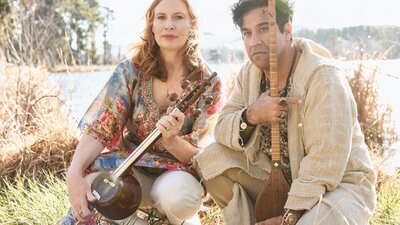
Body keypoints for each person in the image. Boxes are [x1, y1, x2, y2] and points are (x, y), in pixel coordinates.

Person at [194, 0, 376, 225]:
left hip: (338, 186)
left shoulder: (323, 77)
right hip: (277, 179)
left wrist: (287, 219)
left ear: (287, 31)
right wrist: (252, 115)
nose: (254, 41)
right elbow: (222, 129)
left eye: (263, 29)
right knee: (212, 158)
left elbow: (325, 163)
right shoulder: (249, 74)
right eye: (247, 33)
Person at [60, 0, 222, 224]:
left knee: (179, 197)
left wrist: (172, 140)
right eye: (161, 17)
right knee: (93, 188)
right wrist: (74, 172)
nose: (169, 25)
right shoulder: (131, 70)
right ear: (152, 25)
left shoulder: (208, 82)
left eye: (178, 17)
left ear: (191, 25)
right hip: (131, 168)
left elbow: (202, 155)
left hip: (178, 176)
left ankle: (180, 218)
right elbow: (100, 128)